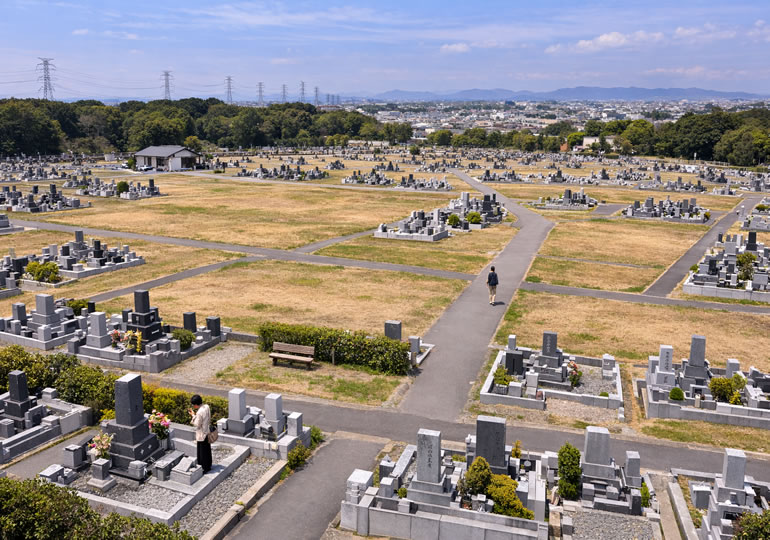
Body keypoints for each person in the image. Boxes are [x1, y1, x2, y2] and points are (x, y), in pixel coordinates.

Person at [189, 394, 212, 473]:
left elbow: (197, 424)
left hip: (201, 433)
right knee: (207, 450)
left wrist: (193, 416)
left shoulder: (199, 412)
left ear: (196, 404)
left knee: (202, 452)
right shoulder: (206, 406)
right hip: (207, 430)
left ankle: (203, 468)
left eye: (193, 404)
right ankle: (208, 465)